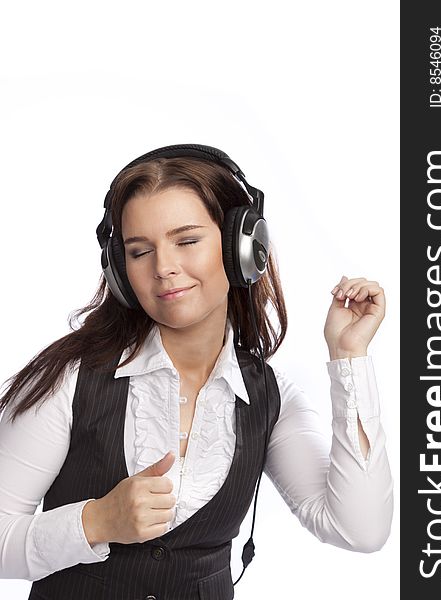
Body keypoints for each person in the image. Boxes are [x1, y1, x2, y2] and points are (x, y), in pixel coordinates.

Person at [0, 145, 393, 600]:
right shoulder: (71, 379)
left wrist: (349, 357)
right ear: (120, 270)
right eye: (139, 250)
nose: (164, 268)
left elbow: (361, 530)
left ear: (241, 248)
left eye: (186, 241)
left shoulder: (269, 398)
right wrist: (96, 521)